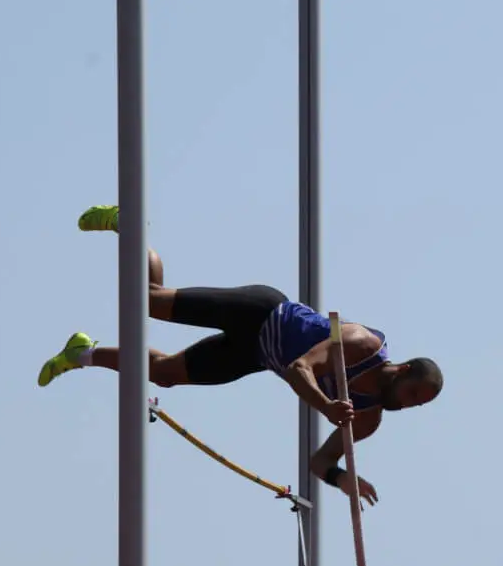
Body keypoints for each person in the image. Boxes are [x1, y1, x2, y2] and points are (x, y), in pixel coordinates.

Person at [38, 204, 443, 505]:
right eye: (412, 395)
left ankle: (83, 353)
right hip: (263, 312)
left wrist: (341, 480)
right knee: (149, 301)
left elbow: (318, 463)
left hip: (257, 354)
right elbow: (301, 368)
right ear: (403, 369)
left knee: (164, 373)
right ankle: (127, 226)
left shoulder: (369, 417)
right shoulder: (361, 344)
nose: (408, 406)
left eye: (417, 405)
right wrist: (326, 407)